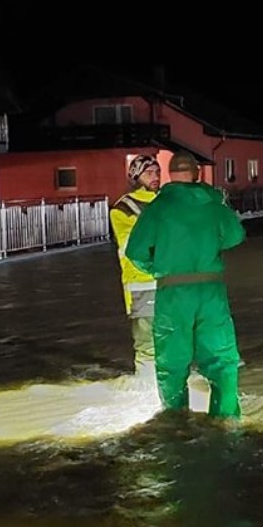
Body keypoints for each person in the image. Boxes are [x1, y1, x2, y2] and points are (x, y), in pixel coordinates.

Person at [125, 151, 246, 418]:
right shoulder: (214, 205)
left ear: (170, 176)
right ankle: (226, 424)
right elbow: (236, 236)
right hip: (211, 291)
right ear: (197, 174)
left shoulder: (158, 208)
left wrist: (159, 268)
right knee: (222, 361)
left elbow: (135, 252)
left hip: (173, 292)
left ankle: (176, 423)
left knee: (172, 363)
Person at [110, 155, 161, 380]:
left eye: (158, 172)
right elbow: (136, 244)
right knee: (146, 339)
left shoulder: (164, 201)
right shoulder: (123, 208)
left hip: (170, 280)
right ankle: (146, 387)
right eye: (149, 173)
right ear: (135, 176)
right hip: (141, 282)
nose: (156, 177)